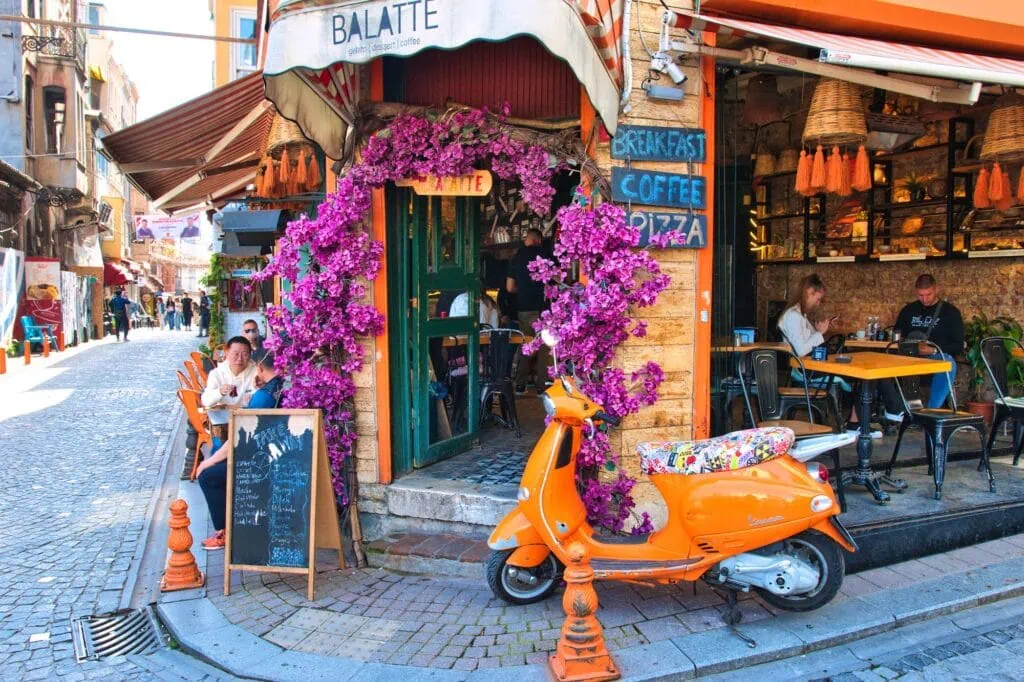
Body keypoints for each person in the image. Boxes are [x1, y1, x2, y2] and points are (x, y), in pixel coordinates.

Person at [196, 350, 283, 550]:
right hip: (276, 452)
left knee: (209, 475)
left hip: (259, 460)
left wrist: (209, 462)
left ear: (259, 368)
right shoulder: (279, 387)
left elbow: (237, 435)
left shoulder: (262, 396)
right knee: (216, 460)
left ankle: (225, 531)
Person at [776, 274, 869, 436]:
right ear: (809, 292)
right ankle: (856, 422)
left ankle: (858, 421)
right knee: (861, 375)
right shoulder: (793, 316)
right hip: (805, 370)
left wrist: (817, 330)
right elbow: (802, 350)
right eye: (818, 299)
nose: (818, 304)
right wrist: (819, 333)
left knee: (859, 373)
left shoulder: (799, 316)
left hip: (809, 367)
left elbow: (810, 341)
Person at [880, 274, 964, 419]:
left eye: (928, 294)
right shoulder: (908, 311)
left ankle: (931, 412)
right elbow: (897, 335)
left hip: (934, 357)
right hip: (908, 356)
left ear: (936, 289)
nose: (925, 299)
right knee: (880, 365)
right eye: (921, 295)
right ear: (915, 292)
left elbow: (958, 344)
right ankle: (895, 408)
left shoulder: (950, 313)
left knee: (948, 363)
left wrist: (934, 349)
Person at [506, 228, 551, 392]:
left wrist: (523, 290)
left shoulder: (517, 258)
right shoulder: (547, 255)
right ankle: (541, 386)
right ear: (538, 240)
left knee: (526, 345)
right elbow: (559, 278)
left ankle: (520, 384)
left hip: (524, 308)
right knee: (544, 347)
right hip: (544, 309)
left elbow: (509, 288)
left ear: (529, 239)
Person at [200, 336, 258, 441]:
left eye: (244, 354)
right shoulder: (217, 374)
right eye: (235, 354)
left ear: (250, 355)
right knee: (218, 444)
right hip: (222, 423)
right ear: (226, 353)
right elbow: (205, 401)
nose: (239, 359)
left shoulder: (256, 372)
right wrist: (219, 392)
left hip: (247, 422)